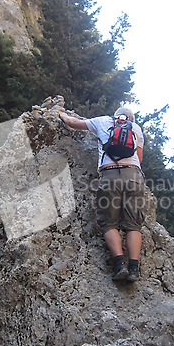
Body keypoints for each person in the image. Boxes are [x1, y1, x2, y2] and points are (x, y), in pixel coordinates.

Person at [59, 106, 145, 282]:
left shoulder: (103, 121)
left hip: (109, 174)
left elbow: (72, 123)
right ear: (130, 118)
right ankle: (134, 269)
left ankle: (120, 264)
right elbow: (139, 158)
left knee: (108, 222)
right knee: (133, 225)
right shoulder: (136, 128)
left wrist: (59, 113)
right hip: (133, 176)